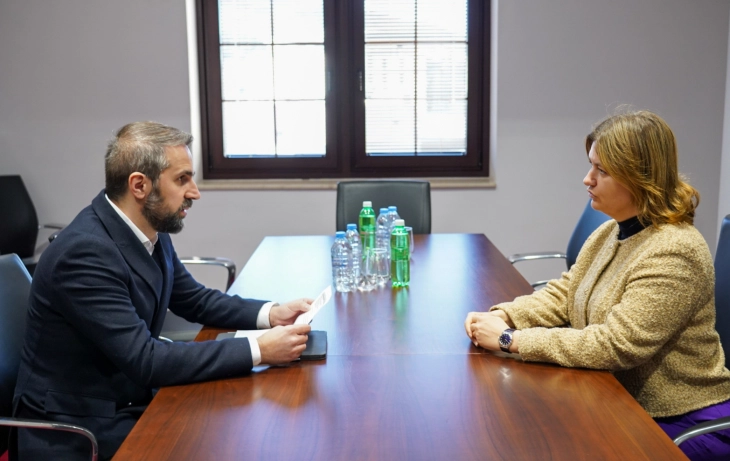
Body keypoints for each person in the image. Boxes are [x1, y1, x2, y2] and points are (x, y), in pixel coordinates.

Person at [11, 122, 313, 461]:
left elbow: (193, 299)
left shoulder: (147, 227)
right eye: (182, 179)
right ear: (140, 185)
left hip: (128, 400)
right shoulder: (84, 253)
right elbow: (146, 360)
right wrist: (259, 349)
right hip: (79, 429)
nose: (194, 192)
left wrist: (271, 314)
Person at [465, 110, 730, 461]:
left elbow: (616, 345)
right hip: (619, 400)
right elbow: (567, 291)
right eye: (591, 166)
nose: (587, 179)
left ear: (640, 178)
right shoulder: (612, 231)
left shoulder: (674, 250)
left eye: (602, 171)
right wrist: (506, 315)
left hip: (680, 421)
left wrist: (509, 339)